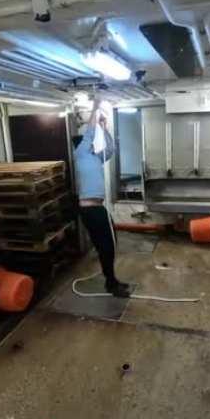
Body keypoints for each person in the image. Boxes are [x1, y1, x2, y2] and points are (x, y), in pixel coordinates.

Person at [73, 97, 130, 298]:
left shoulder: (95, 157)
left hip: (97, 208)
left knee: (110, 243)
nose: (91, 143)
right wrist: (96, 107)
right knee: (107, 246)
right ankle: (111, 284)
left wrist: (104, 128)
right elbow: (89, 133)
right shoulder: (81, 153)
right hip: (91, 209)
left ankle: (111, 279)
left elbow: (111, 150)